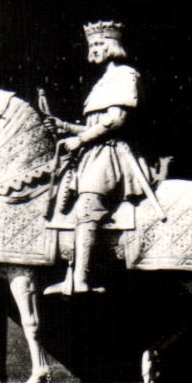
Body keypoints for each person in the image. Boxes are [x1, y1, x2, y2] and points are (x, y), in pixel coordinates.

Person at [44, 21, 155, 297]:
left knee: (87, 205)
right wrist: (65, 127)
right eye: (91, 45)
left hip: (112, 154)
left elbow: (115, 121)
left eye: (98, 44)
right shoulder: (103, 80)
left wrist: (80, 139)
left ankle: (82, 279)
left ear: (112, 46)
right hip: (92, 153)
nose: (93, 49)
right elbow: (95, 124)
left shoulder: (126, 75)